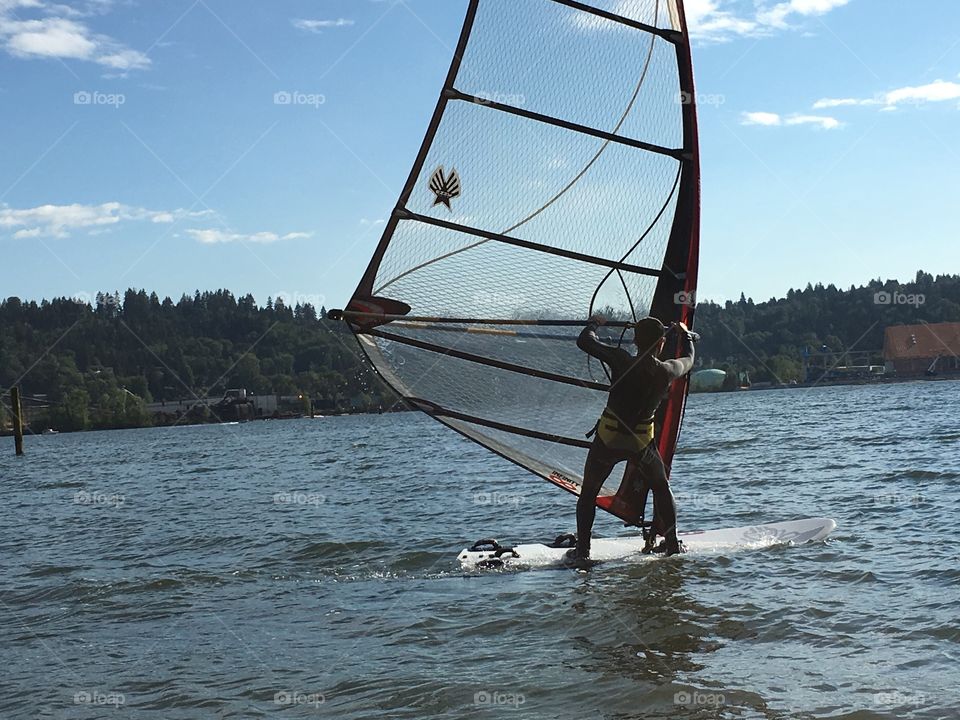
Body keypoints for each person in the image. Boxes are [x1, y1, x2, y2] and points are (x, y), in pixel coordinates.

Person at [570, 315, 697, 564]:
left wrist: (595, 323)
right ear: (661, 343)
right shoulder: (667, 370)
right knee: (661, 487)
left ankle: (582, 553)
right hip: (640, 443)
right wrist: (687, 337)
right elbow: (690, 360)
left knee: (588, 494)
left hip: (609, 438)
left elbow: (585, 341)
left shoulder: (620, 359)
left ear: (634, 339)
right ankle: (672, 546)